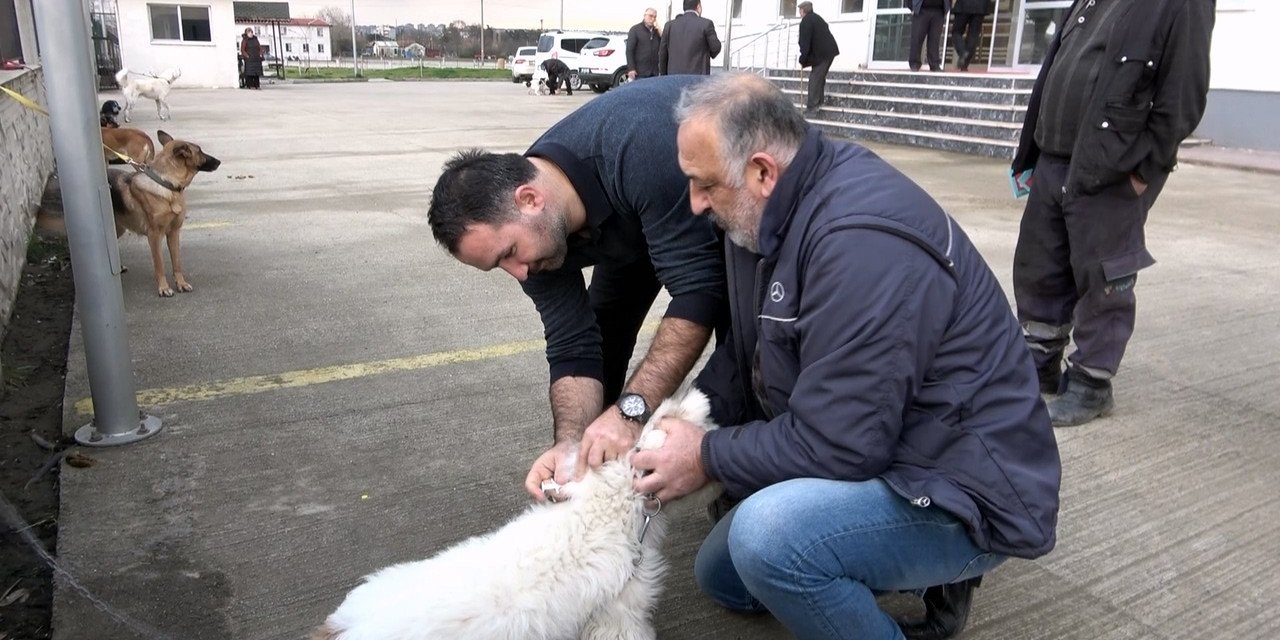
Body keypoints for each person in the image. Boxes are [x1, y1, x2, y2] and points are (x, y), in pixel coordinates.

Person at [628, 72, 1061, 640]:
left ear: (762, 171)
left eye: (704, 184)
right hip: (890, 444)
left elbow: (841, 444)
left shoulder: (862, 243)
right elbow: (743, 354)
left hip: (960, 484)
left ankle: (941, 569)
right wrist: (670, 426)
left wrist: (707, 455)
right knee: (723, 577)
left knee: (768, 540)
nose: (694, 203)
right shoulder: (760, 219)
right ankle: (887, 568)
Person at [426, 76, 727, 501]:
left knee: (748, 352)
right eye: (500, 266)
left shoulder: (636, 146)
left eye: (510, 252)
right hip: (629, 228)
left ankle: (746, 476)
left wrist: (630, 412)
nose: (519, 273)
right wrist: (570, 443)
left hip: (718, 203)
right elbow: (572, 345)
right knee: (602, 345)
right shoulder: (537, 241)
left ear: (530, 199)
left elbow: (699, 290)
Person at [1010, 0, 1215, 427]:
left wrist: (1144, 171)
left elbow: (1184, 97)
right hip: (1053, 160)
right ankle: (1040, 362)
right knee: (1039, 267)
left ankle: (1091, 384)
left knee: (1105, 280)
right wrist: (1030, 153)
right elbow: (1055, 72)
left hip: (1112, 169)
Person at [797, 1, 839, 117]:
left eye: (800, 10)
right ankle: (818, 102)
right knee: (819, 77)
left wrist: (803, 58)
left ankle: (812, 108)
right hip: (828, 52)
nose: (799, 12)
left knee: (815, 79)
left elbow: (805, 42)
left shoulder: (806, 22)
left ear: (803, 11)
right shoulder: (817, 18)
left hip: (823, 54)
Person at [659, 0, 722, 76]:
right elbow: (715, 47)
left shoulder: (669, 25)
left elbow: (662, 53)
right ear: (698, 7)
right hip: (698, 78)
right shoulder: (706, 24)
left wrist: (663, 76)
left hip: (673, 78)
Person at [909, 0, 951, 72]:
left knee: (935, 39)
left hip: (939, 11)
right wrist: (912, 7)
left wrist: (947, 6)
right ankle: (914, 63)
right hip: (922, 10)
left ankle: (934, 64)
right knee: (917, 37)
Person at [950, 0, 989, 71]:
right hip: (980, 7)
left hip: (963, 5)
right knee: (973, 35)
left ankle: (962, 52)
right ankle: (965, 65)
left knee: (956, 32)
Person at [626, 7, 662, 80]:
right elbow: (629, 50)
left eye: (655, 17)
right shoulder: (635, 30)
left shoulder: (656, 32)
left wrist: (660, 32)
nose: (653, 19)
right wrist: (631, 68)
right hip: (640, 72)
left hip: (654, 72)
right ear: (645, 16)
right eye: (650, 16)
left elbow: (662, 47)